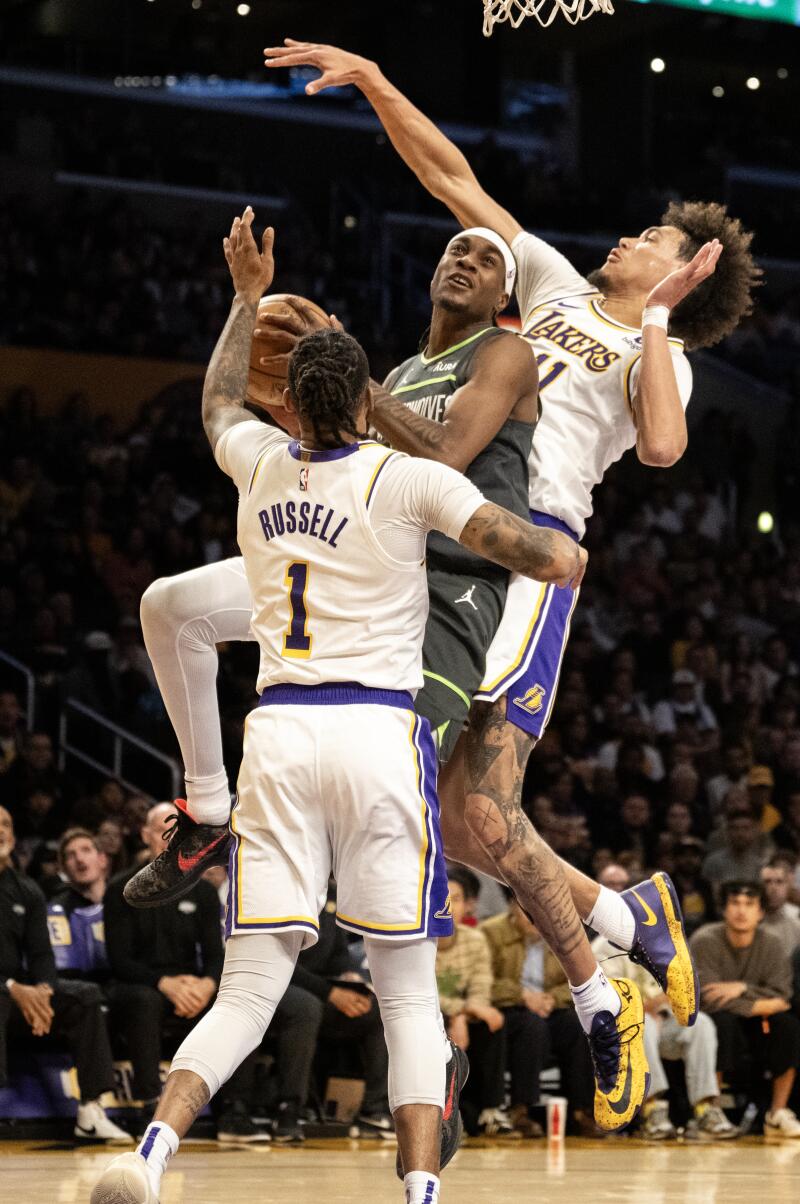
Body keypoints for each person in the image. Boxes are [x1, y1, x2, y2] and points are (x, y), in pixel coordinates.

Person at [262, 35, 758, 1055]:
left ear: (680, 279)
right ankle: (631, 923)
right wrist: (379, 79)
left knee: (472, 809)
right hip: (437, 519)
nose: (626, 240)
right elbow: (452, 176)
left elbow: (661, 448)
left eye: (650, 241)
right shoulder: (550, 282)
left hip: (522, 554)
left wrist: (658, 325)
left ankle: (605, 961)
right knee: (463, 812)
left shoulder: (652, 354)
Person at [90, 208, 585, 1204]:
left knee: (250, 982)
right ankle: (416, 1191)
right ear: (357, 399)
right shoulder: (401, 465)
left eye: (488, 255)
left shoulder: (268, 456)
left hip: (282, 720)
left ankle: (149, 1155)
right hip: (373, 724)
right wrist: (557, 552)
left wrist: (242, 303)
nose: (467, 252)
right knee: (405, 986)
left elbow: (220, 404)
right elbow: (515, 537)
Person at [104, 803, 261, 1144]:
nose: (167, 836)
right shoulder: (121, 888)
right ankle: (149, 1105)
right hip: (141, 983)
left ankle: (235, 1111)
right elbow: (118, 959)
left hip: (192, 985)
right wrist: (164, 984)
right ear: (145, 835)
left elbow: (216, 952)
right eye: (159, 829)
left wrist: (207, 984)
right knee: (143, 1001)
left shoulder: (203, 891)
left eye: (173, 829)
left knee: (240, 1005)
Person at [0, 805, 129, 1142]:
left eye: (6, 824)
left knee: (84, 996)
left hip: (22, 995)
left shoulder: (27, 890)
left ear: (13, 837)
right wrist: (13, 988)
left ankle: (90, 1111)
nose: (0, 831)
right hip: (5, 993)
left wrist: (43, 992)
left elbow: (42, 954)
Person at [591, 864, 736, 1141]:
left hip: (663, 1020)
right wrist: (647, 1006)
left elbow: (680, 986)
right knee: (639, 1022)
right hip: (623, 1033)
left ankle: (706, 1108)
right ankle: (652, 1110)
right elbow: (608, 1002)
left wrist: (664, 1004)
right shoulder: (601, 948)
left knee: (701, 1024)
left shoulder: (660, 941)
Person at [690, 880, 800, 1139]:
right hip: (714, 1021)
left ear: (760, 912)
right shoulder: (704, 940)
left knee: (788, 1025)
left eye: (749, 904)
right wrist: (760, 1002)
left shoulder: (771, 944)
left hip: (756, 1025)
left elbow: (783, 995)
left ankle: (777, 1113)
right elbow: (707, 997)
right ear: (724, 910)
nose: (742, 911)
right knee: (720, 1022)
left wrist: (741, 988)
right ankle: (711, 1111)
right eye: (735, 903)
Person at [481, 896, 593, 1137]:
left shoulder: (563, 932)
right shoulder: (490, 932)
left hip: (550, 1005)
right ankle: (521, 1110)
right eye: (527, 912)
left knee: (577, 1024)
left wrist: (552, 998)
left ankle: (581, 1111)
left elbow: (583, 978)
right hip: (508, 1008)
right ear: (513, 909)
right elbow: (484, 982)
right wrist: (522, 996)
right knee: (531, 1027)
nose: (535, 920)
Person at [435, 872, 511, 1137]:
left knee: (492, 1020)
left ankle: (490, 1110)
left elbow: (481, 990)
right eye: (442, 898)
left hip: (464, 1017)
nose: (447, 906)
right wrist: (457, 1014)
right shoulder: (419, 940)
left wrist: (465, 1014)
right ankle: (440, 1112)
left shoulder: (475, 939)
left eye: (455, 899)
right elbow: (422, 993)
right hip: (427, 1015)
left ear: (468, 906)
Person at [760, 857, 800, 953]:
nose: (773, 888)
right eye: (767, 882)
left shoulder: (797, 927)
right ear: (760, 886)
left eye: (779, 882)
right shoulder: (746, 925)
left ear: (788, 886)